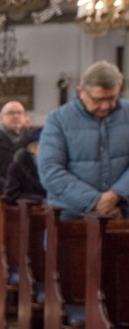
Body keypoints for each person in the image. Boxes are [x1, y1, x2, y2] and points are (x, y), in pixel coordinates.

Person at [39, 60, 129, 219]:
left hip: (123, 212)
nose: (106, 106)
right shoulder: (58, 119)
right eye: (98, 99)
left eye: (112, 98)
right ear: (81, 91)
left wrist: (118, 194)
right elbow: (50, 170)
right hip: (71, 216)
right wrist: (94, 202)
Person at [4, 130, 46, 205]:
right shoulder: (17, 167)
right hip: (30, 211)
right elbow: (12, 195)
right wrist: (40, 200)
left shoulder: (55, 166)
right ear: (34, 148)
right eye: (45, 145)